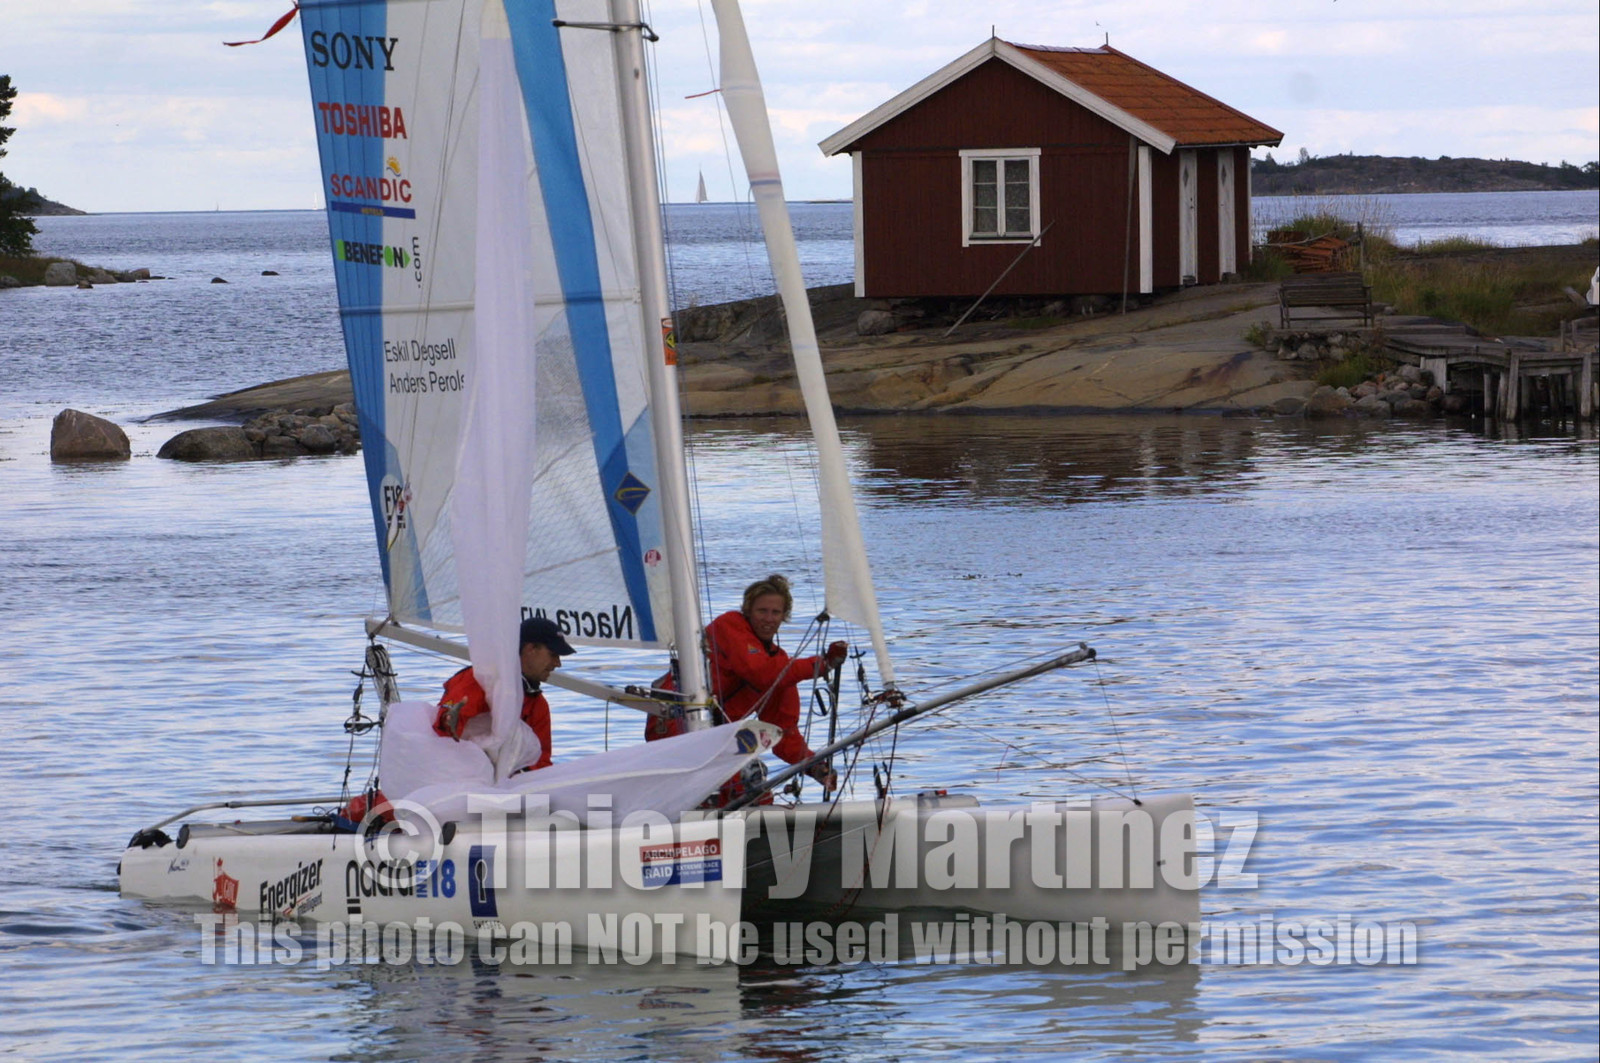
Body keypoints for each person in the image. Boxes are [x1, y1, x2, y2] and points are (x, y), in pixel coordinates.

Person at [649, 574, 847, 796]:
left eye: (776, 612)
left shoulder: (779, 666)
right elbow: (759, 672)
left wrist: (813, 766)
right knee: (742, 783)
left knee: (756, 791)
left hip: (714, 739)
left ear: (784, 616)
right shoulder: (730, 626)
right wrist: (822, 664)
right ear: (748, 611)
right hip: (675, 728)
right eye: (762, 611)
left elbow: (784, 733)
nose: (768, 619)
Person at [432, 615, 576, 772]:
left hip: (507, 787)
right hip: (461, 774)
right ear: (530, 649)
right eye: (553, 655)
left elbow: (542, 762)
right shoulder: (482, 680)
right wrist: (448, 721)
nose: (558, 663)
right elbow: (447, 728)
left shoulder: (537, 704)